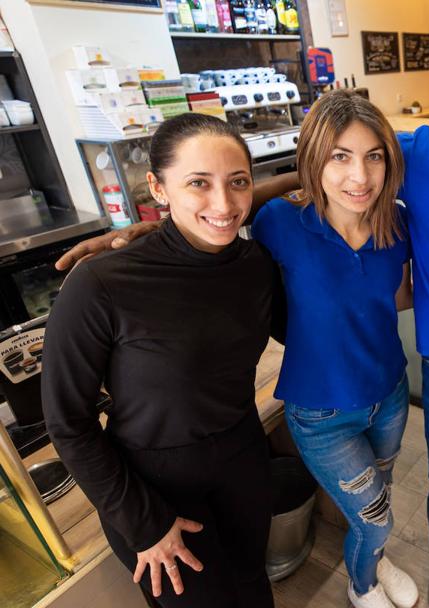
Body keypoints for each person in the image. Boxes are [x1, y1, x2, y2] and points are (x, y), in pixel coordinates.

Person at [54, 19, 429, 608]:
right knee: (404, 504)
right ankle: (396, 570)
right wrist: (146, 231)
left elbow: (399, 282)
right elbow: (286, 188)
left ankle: (419, 554)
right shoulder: (322, 205)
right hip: (370, 394)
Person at [41, 113, 281, 607]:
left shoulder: (255, 265)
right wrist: (143, 523)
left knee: (254, 588)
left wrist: (311, 177)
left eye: (238, 182)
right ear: (158, 188)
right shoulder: (101, 283)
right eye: (198, 183)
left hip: (242, 458)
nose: (223, 203)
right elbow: (67, 422)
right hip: (151, 484)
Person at [250, 90, 417, 608]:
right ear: (313, 162)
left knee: (378, 496)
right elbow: (208, 224)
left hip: (388, 393)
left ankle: (376, 558)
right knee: (376, 515)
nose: (359, 177)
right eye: (339, 157)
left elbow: (396, 297)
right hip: (321, 411)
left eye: (373, 156)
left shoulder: (397, 223)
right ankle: (361, 581)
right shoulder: (279, 223)